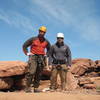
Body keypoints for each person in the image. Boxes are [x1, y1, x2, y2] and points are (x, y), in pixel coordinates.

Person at [22, 26, 51, 93]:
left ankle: (36, 88)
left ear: (45, 33)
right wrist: (27, 53)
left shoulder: (46, 41)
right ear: (38, 31)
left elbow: (49, 48)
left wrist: (47, 54)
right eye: (41, 31)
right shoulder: (33, 39)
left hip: (41, 57)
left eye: (43, 32)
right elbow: (24, 45)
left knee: (39, 73)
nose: (42, 33)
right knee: (32, 72)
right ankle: (27, 87)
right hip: (33, 57)